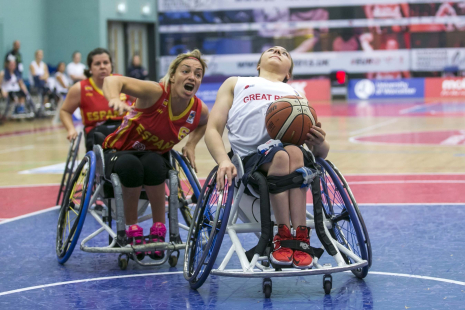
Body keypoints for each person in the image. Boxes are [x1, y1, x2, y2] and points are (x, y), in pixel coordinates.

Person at [205, 46, 330, 269]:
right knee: (283, 155)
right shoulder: (236, 83)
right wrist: (223, 160)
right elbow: (213, 129)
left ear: (289, 73)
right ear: (258, 65)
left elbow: (320, 154)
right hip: (249, 160)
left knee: (292, 152)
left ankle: (299, 237)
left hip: (289, 156)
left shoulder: (297, 95)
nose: (277, 51)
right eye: (271, 50)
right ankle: (283, 234)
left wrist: (319, 142)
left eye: (285, 53)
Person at [101, 49, 209, 260]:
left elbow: (205, 123)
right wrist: (114, 98)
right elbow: (114, 81)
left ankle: (159, 229)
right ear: (173, 76)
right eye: (185, 71)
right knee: (132, 165)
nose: (192, 77)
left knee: (156, 164)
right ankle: (131, 228)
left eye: (197, 74)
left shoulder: (198, 109)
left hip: (153, 155)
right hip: (119, 151)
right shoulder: (156, 92)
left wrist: (191, 144)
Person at [60, 48, 131, 152]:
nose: (102, 66)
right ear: (90, 68)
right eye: (97, 64)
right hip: (96, 132)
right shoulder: (80, 88)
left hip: (122, 129)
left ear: (111, 66)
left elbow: (143, 100)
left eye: (106, 63)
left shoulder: (123, 81)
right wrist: (71, 129)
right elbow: (65, 111)